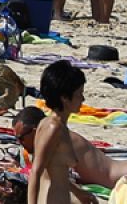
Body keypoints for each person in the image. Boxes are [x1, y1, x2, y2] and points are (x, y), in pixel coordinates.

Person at [27, 60, 84, 204]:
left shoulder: (51, 124)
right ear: (64, 98)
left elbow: (55, 172)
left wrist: (79, 192)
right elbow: (36, 171)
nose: (83, 99)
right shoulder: (53, 128)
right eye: (79, 93)